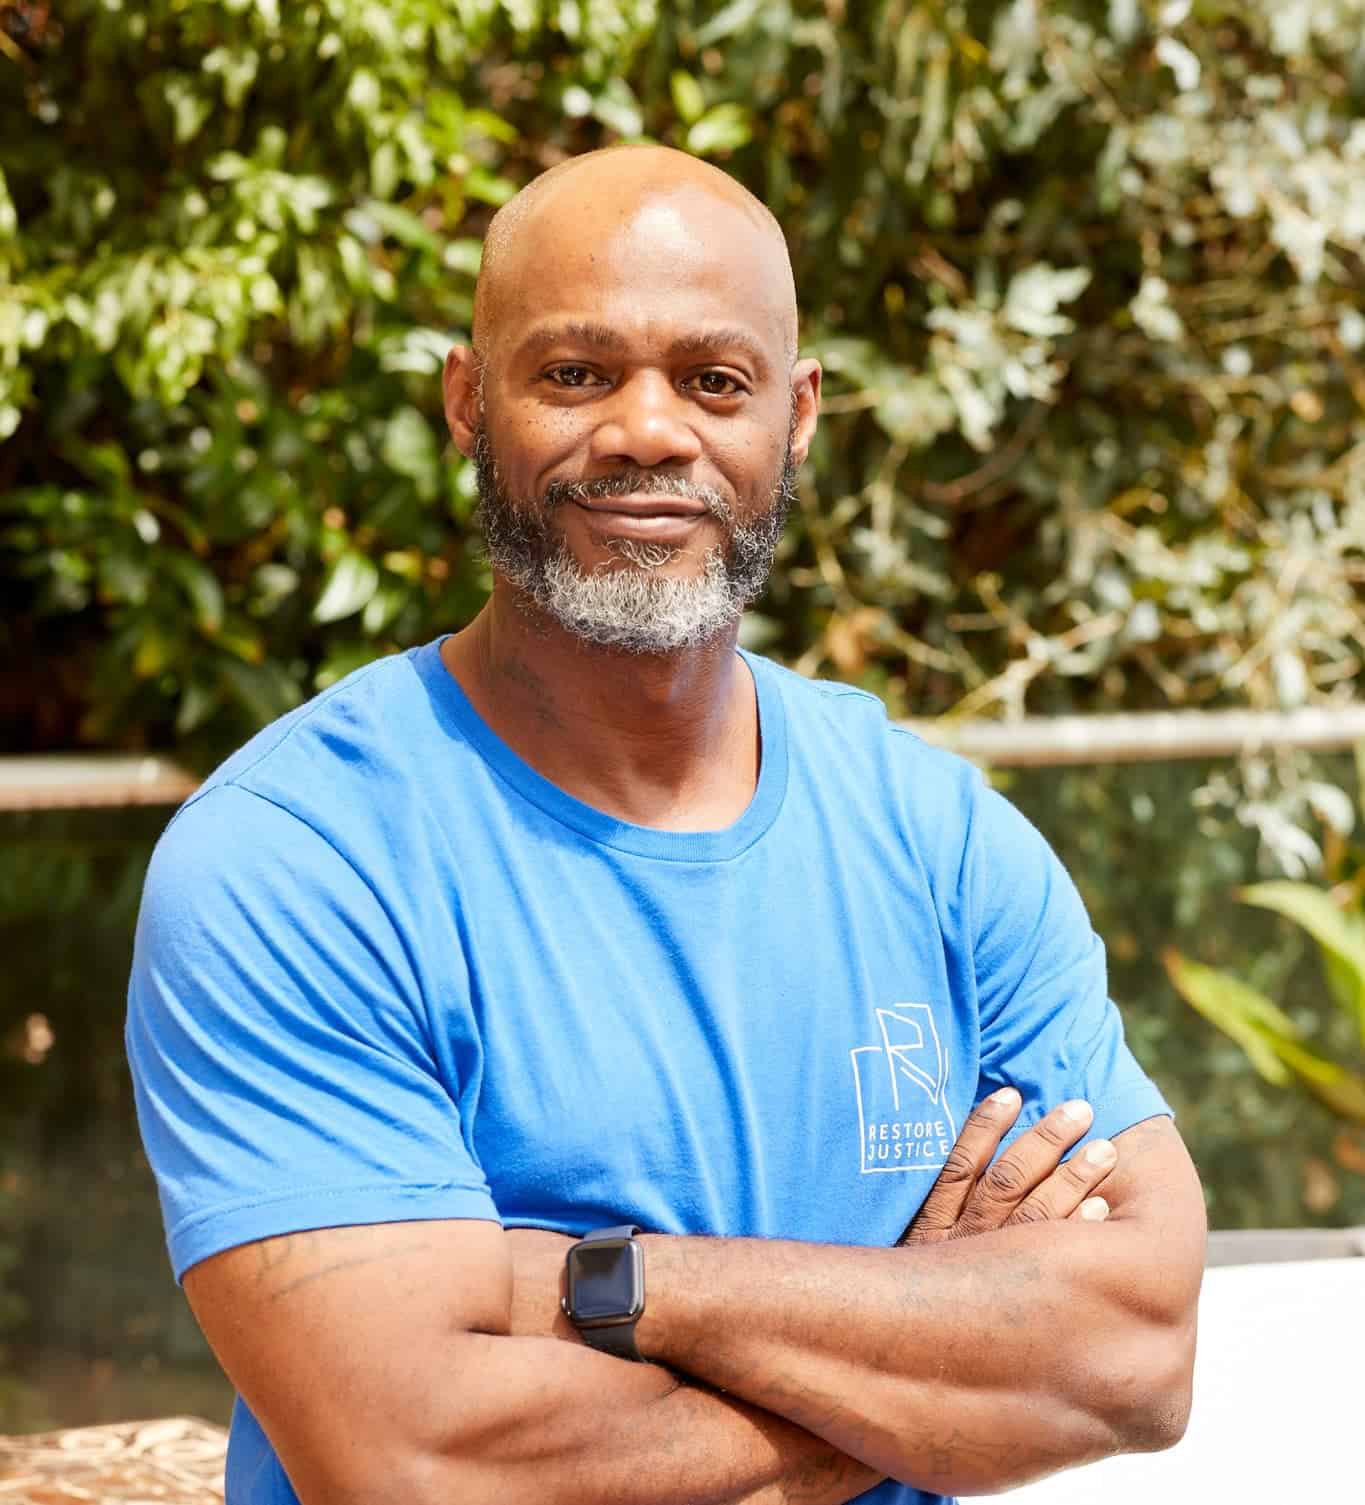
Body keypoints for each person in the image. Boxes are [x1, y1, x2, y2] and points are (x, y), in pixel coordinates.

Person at [126, 145, 1205, 1505]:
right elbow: (420, 1462)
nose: (648, 430)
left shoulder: (939, 839)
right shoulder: (296, 863)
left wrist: (616, 1285)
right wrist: (927, 1355)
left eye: (714, 378)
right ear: (468, 403)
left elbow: (1137, 1354)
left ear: (795, 415)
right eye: (574, 373)